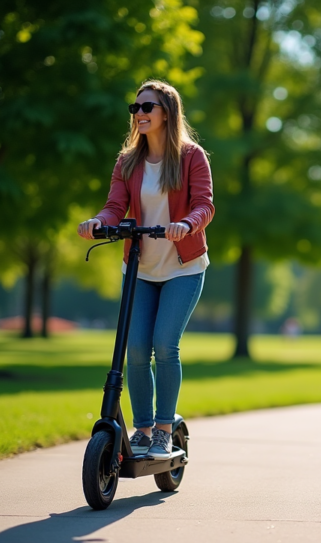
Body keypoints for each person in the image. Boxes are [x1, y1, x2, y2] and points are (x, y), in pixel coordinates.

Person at [77, 80, 214, 459]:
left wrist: (187, 224)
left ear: (166, 112)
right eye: (135, 107)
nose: (139, 113)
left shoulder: (190, 157)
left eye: (147, 107)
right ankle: (143, 428)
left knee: (163, 346)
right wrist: (97, 222)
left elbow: (204, 204)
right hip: (140, 267)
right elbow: (114, 206)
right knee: (136, 350)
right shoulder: (128, 161)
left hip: (183, 267)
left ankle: (164, 430)